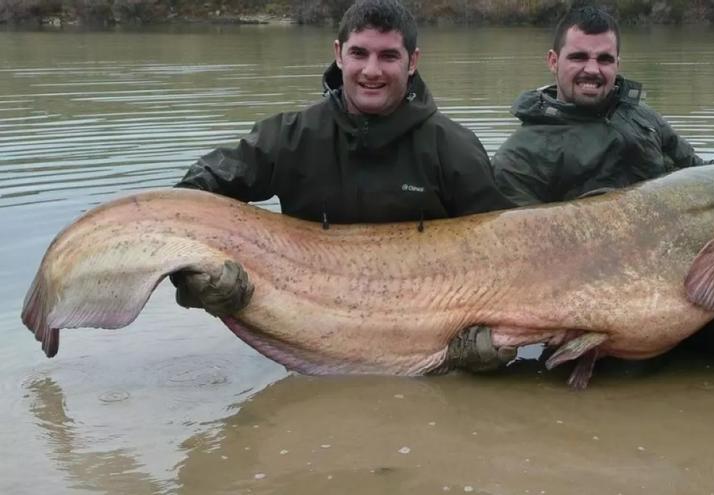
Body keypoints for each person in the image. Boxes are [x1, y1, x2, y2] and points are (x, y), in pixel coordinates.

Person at [172, 0, 516, 372]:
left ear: (412, 61)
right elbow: (189, 199)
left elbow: (506, 257)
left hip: (427, 349)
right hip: (308, 343)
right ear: (339, 54)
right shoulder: (290, 137)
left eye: (388, 56)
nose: (371, 70)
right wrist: (197, 278)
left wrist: (490, 343)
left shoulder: (455, 149)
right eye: (359, 53)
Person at [492, 6, 714, 365]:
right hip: (598, 306)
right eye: (579, 57)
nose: (592, 70)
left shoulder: (642, 119)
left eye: (604, 58)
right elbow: (514, 258)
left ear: (617, 63)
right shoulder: (519, 156)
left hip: (689, 281)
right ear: (554, 60)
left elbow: (703, 176)